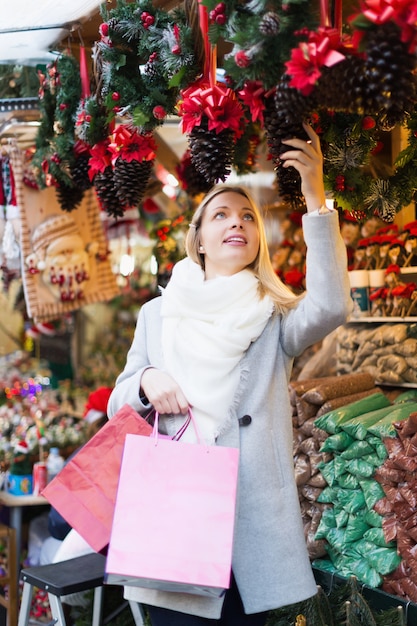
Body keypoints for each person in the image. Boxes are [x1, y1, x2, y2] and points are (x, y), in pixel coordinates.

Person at [107, 123, 353, 626]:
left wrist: (315, 199)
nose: (236, 221)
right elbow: (119, 400)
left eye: (247, 215)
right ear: (198, 237)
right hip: (178, 516)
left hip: (249, 525)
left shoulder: (273, 315)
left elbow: (330, 305)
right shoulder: (159, 315)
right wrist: (148, 380)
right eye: (220, 214)